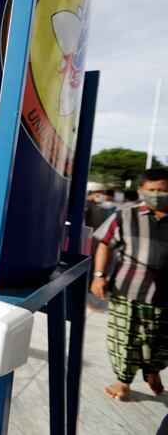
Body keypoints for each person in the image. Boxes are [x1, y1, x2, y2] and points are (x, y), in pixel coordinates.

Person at [91, 167, 168, 401]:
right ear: (141, 190)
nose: (157, 194)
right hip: (129, 290)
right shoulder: (124, 216)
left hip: (165, 296)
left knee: (160, 340)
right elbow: (105, 244)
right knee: (125, 339)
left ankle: (152, 372)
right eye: (152, 190)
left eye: (163, 190)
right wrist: (99, 275)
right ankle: (123, 381)